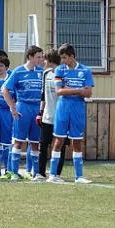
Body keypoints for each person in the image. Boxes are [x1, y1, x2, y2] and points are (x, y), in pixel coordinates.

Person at [48, 43, 94, 184]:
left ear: (72, 56)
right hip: (63, 108)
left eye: (65, 58)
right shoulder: (60, 70)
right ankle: (53, 174)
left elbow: (89, 93)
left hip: (78, 108)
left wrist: (71, 89)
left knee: (77, 141)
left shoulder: (86, 71)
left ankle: (78, 176)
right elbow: (59, 91)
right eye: (62, 58)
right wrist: (79, 90)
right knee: (58, 140)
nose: (63, 61)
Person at [2, 45, 45, 182]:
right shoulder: (18, 72)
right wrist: (12, 107)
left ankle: (34, 172)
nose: (40, 59)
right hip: (23, 107)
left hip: (37, 109)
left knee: (35, 142)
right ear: (30, 57)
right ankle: (14, 172)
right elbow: (5, 89)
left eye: (41, 57)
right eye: (38, 57)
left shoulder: (42, 72)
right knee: (19, 141)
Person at [36, 49, 68, 177]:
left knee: (61, 144)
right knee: (43, 144)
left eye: (45, 59)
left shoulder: (64, 74)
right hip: (47, 115)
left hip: (61, 116)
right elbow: (43, 95)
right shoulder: (46, 74)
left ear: (50, 60)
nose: (43, 61)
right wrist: (40, 112)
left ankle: (56, 173)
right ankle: (40, 172)